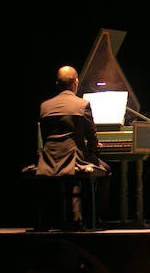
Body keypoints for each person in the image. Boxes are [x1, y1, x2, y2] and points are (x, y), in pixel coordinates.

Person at [36, 65, 110, 231]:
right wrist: (93, 146)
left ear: (57, 84)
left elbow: (45, 136)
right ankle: (94, 218)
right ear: (75, 83)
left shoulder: (44, 106)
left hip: (48, 161)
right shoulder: (82, 105)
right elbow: (92, 139)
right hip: (73, 161)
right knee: (106, 169)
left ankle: (57, 218)